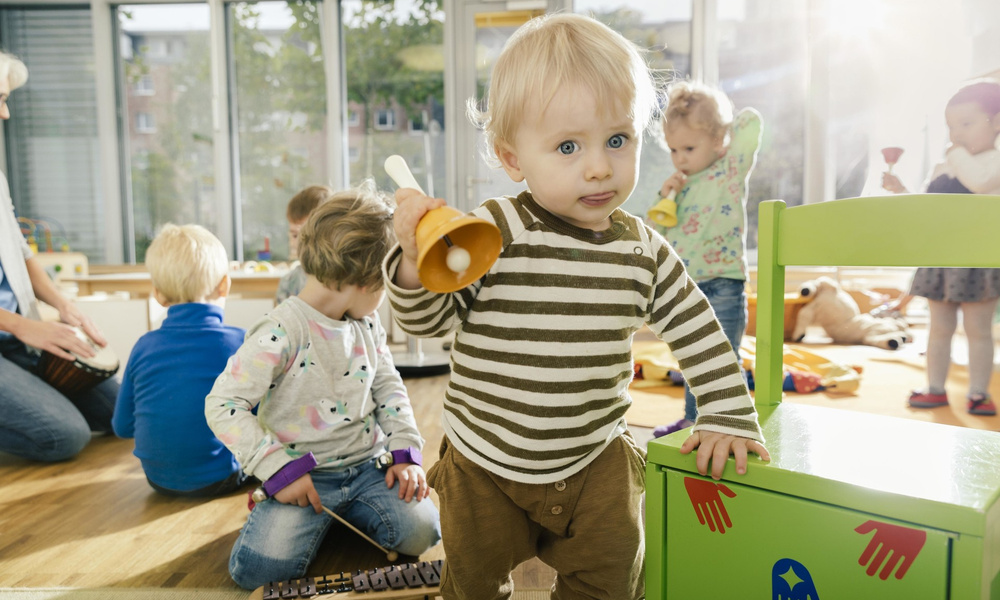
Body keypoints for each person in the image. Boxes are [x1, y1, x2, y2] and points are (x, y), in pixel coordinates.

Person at [384, 14, 769, 599]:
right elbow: (428, 321)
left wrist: (725, 409)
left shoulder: (643, 249)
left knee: (613, 578)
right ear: (513, 159)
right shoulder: (495, 229)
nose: (599, 166)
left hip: (594, 457)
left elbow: (698, 326)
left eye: (618, 140)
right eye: (568, 146)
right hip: (485, 458)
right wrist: (414, 265)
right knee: (472, 582)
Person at [206, 182, 441, 590]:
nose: (386, 295)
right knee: (257, 573)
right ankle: (308, 513)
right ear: (367, 281)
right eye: (387, 283)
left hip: (369, 468)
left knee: (424, 533)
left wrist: (405, 450)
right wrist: (277, 469)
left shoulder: (366, 322)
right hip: (304, 477)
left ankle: (340, 515)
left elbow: (388, 384)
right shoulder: (281, 331)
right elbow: (223, 404)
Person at [0, 51, 119, 462]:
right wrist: (23, 327)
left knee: (119, 414)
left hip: (15, 336)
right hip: (14, 332)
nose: (6, 114)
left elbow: (18, 249)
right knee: (63, 436)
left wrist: (63, 306)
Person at [649, 81, 763, 437]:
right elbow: (661, 232)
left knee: (723, 360)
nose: (680, 157)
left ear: (716, 141)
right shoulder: (679, 185)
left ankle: (730, 422)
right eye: (673, 149)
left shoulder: (730, 169)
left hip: (724, 281)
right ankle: (693, 419)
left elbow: (751, 122)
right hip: (688, 286)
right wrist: (667, 194)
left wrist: (711, 119)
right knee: (694, 358)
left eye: (689, 147)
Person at [882, 79, 1000, 416]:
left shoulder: (993, 162)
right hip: (940, 257)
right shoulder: (943, 166)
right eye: (951, 126)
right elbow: (926, 210)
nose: (956, 134)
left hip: (980, 259)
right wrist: (901, 191)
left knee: (978, 330)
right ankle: (935, 388)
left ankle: (978, 392)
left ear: (997, 123)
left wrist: (957, 152)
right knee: (939, 328)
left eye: (966, 124)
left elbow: (979, 183)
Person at [112, 224, 247, 496]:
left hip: (157, 481)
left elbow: (122, 426)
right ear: (224, 285)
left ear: (158, 294)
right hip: (220, 476)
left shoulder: (143, 346)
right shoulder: (241, 343)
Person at [275, 185, 333, 304]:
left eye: (307, 235)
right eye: (295, 235)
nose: (300, 243)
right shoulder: (288, 283)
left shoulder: (345, 283)